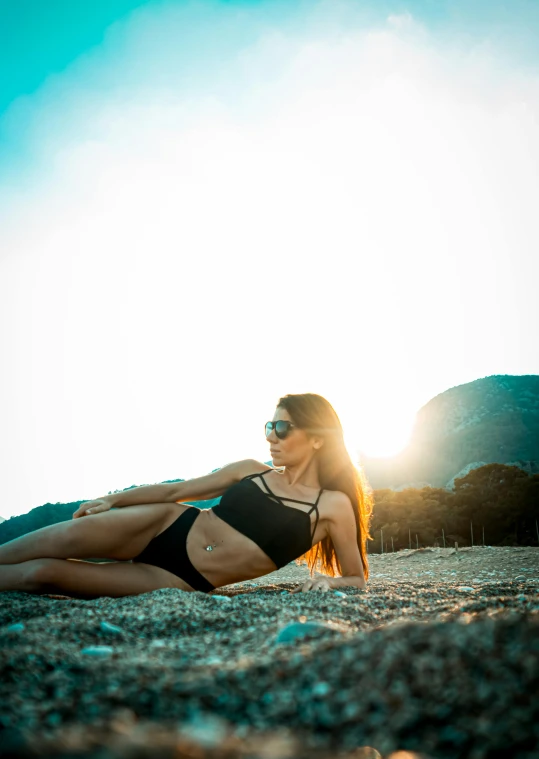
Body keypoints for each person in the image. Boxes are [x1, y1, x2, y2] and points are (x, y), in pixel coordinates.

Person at [0, 393, 373, 598]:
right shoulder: (249, 469)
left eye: (281, 427)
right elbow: (179, 490)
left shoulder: (332, 505)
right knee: (60, 537)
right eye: (268, 426)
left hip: (177, 578)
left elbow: (356, 577)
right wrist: (113, 501)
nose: (270, 436)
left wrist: (331, 581)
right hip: (164, 523)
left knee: (42, 574)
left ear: (318, 438)